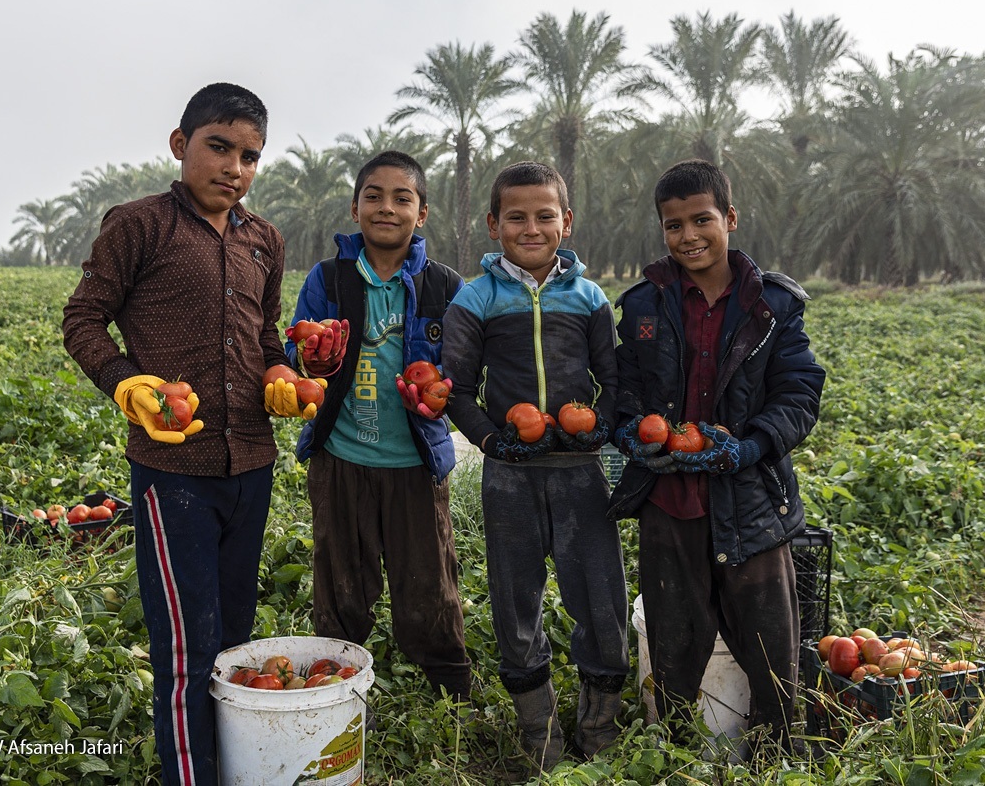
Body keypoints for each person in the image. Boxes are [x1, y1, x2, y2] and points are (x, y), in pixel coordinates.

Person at [62, 83, 315, 786]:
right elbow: (83, 318)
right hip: (174, 473)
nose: (234, 167)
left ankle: (237, 767)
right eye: (219, 147)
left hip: (252, 463)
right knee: (185, 646)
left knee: (234, 636)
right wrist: (125, 382)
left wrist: (281, 376)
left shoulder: (264, 239)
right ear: (181, 145)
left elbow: (266, 334)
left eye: (250, 156)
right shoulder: (139, 225)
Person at [607, 159, 825, 756]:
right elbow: (624, 386)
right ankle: (676, 754)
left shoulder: (771, 306)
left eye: (701, 219)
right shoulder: (646, 305)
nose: (689, 236)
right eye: (673, 225)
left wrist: (750, 446)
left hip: (751, 506)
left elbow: (799, 391)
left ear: (729, 218)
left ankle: (778, 751)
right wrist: (630, 431)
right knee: (674, 648)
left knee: (772, 651)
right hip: (669, 503)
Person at [442, 161, 629, 772]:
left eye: (544, 215)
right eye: (515, 216)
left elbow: (614, 377)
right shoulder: (476, 299)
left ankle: (598, 722)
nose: (531, 226)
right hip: (511, 476)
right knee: (514, 597)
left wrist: (600, 425)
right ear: (494, 225)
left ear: (566, 222)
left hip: (579, 471)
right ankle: (538, 730)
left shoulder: (589, 296)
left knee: (600, 594)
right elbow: (458, 389)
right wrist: (493, 443)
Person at [285, 150, 473, 707]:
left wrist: (444, 392)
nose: (386, 208)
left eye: (402, 198)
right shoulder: (328, 279)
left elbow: (465, 372)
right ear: (355, 206)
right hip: (340, 459)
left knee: (429, 589)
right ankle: (333, 695)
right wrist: (309, 362)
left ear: (423, 213)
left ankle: (452, 696)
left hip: (414, 463)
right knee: (342, 587)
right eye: (374, 196)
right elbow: (296, 352)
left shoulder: (445, 286)